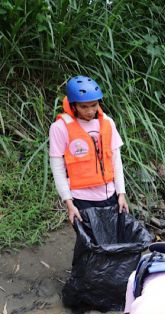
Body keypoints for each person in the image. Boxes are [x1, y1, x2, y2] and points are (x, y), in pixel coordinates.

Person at [49, 76, 128, 224]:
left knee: (111, 243)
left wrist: (121, 193)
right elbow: (57, 168)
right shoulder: (60, 128)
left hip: (110, 195)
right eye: (84, 107)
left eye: (94, 105)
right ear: (73, 105)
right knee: (89, 245)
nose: (90, 111)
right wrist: (69, 202)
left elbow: (116, 160)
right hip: (81, 198)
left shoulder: (107, 123)